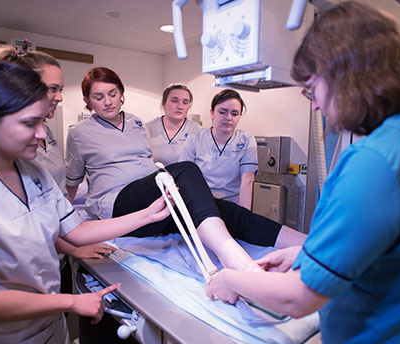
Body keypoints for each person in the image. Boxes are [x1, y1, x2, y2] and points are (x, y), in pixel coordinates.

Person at [205, 2, 400, 343]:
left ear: (345, 75)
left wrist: (230, 278)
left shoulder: (376, 160)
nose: (315, 104)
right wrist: (310, 252)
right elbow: (392, 241)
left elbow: (296, 297)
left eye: (312, 88)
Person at [0, 63, 172, 343]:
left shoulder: (33, 173)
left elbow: (76, 232)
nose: (43, 134)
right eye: (29, 123)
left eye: (41, 122)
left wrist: (147, 215)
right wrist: (70, 303)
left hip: (50, 329)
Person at [65, 67, 304, 273]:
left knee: (223, 209)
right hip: (117, 205)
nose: (107, 101)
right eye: (98, 97)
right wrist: (67, 230)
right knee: (185, 170)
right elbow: (72, 183)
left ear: (121, 95)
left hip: (153, 199)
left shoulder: (136, 123)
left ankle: (307, 244)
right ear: (87, 101)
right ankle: (231, 257)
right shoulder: (79, 133)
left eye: (112, 94)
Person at [0, 43, 115, 284]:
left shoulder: (45, 129)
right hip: (27, 267)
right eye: (53, 89)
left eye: (61, 89)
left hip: (56, 253)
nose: (60, 97)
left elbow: (56, 199)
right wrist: (73, 248)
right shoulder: (7, 147)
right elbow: (33, 215)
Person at [181, 89, 257, 209]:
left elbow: (247, 181)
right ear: (212, 113)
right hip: (201, 203)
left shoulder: (246, 140)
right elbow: (186, 178)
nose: (229, 118)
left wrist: (243, 216)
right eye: (222, 112)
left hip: (233, 205)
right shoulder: (195, 138)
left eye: (235, 113)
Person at [145, 83, 201, 166]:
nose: (180, 106)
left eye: (185, 102)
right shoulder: (148, 129)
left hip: (184, 177)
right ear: (164, 103)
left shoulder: (197, 131)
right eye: (174, 101)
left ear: (189, 106)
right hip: (155, 177)